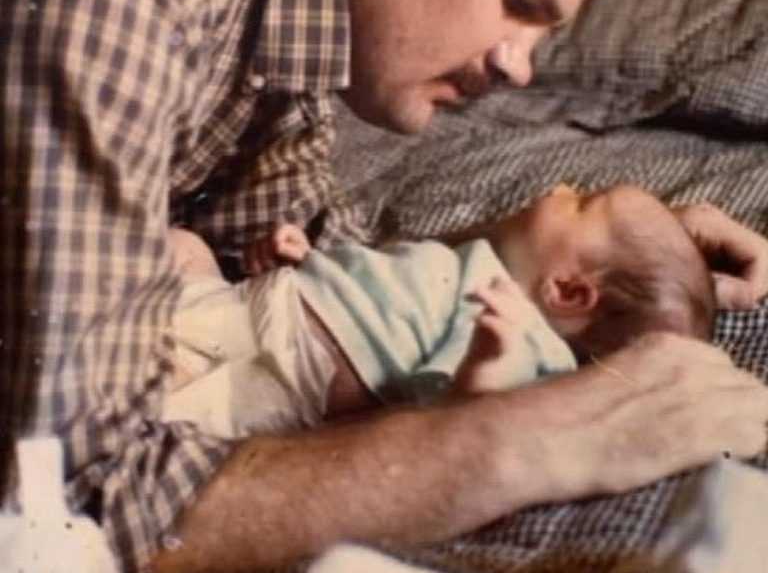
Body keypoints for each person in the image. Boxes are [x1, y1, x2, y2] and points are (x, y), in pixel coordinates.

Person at [2, 0, 768, 573]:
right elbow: (70, 502)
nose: (518, 66)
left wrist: (627, 257)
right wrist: (553, 434)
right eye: (518, 1)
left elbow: (319, 268)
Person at [163, 183, 718, 438]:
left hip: (282, 375)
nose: (561, 185)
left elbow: (457, 422)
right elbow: (373, 291)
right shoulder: (474, 266)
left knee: (169, 395)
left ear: (569, 292)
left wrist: (485, 372)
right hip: (259, 308)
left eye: (581, 203)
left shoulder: (518, 336)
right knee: (182, 246)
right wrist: (304, 261)